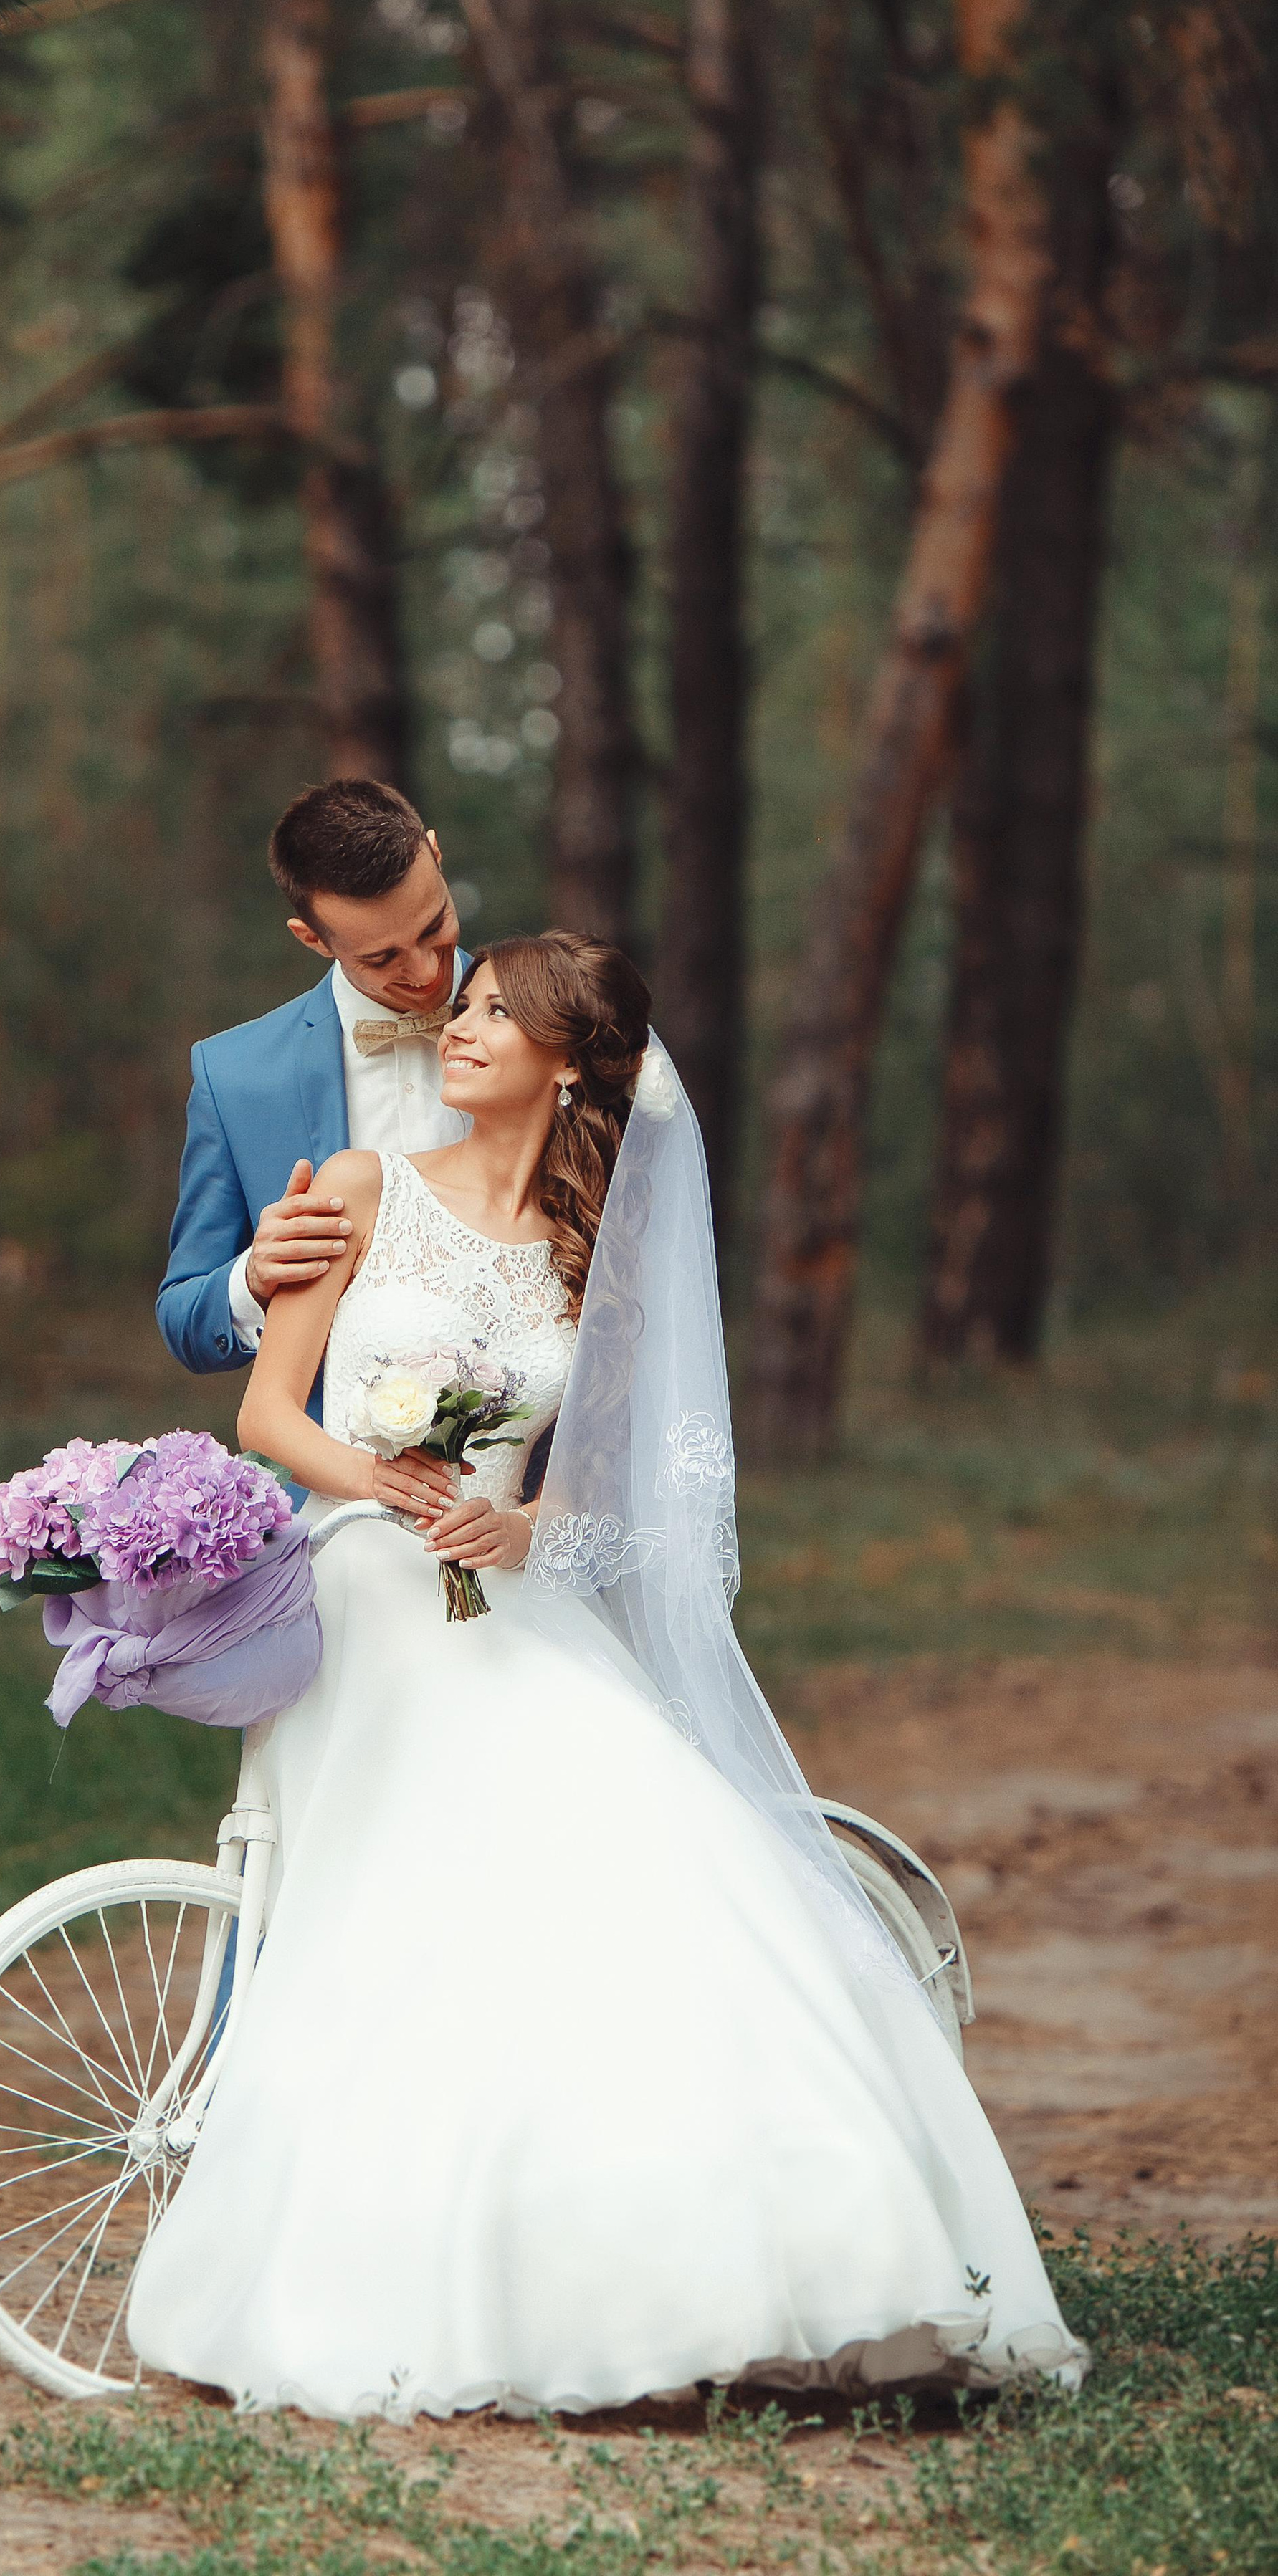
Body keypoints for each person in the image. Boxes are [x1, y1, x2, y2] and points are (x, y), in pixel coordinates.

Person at [127, 932, 1084, 2420]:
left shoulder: (593, 1254)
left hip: (509, 1599)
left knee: (645, 1829)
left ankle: (729, 2261)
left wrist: (519, 1524)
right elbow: (269, 1413)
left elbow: (610, 1499)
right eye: (465, 1007)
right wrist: (401, 1495)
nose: (460, 1027)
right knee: (415, 1898)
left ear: (566, 1063)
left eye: (495, 1016)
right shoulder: (358, 1191)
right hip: (372, 1594)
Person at [157, 779, 467, 1413]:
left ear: (435, 855)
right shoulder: (235, 1074)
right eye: (382, 958)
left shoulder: (556, 1026)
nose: (426, 970)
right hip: (332, 1484)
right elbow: (185, 1319)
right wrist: (252, 1276)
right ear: (312, 938)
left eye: (435, 926)